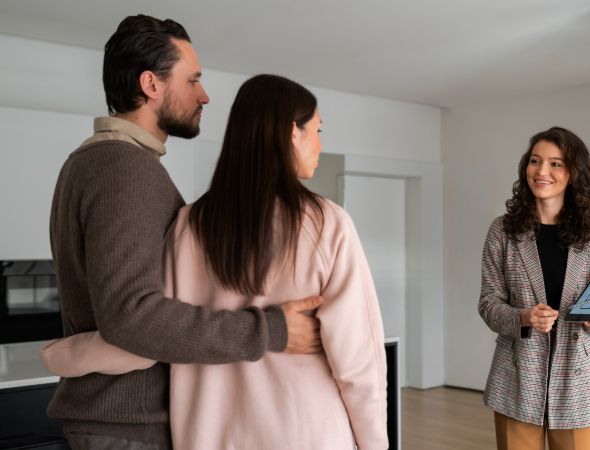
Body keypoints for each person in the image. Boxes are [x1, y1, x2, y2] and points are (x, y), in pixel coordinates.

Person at [42, 74, 389, 450]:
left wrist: (67, 355)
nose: (320, 143)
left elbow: (149, 339)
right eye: (318, 129)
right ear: (293, 131)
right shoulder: (325, 224)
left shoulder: (189, 226)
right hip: (306, 435)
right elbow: (360, 365)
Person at [478, 127, 590, 450]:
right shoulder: (502, 231)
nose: (542, 171)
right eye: (535, 161)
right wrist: (525, 317)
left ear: (573, 172)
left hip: (579, 380)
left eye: (555, 163)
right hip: (516, 379)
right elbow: (488, 303)